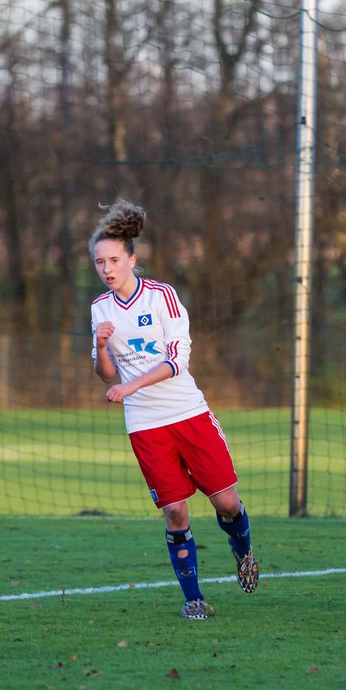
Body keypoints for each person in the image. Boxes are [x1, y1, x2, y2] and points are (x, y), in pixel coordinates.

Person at [88, 198, 259, 620]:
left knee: (227, 505)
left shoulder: (162, 297)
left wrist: (130, 385)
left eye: (113, 260)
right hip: (145, 425)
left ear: (132, 259)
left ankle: (243, 552)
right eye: (98, 262)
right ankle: (194, 598)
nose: (106, 269)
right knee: (175, 511)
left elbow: (177, 361)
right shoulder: (99, 310)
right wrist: (100, 346)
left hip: (188, 414)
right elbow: (105, 375)